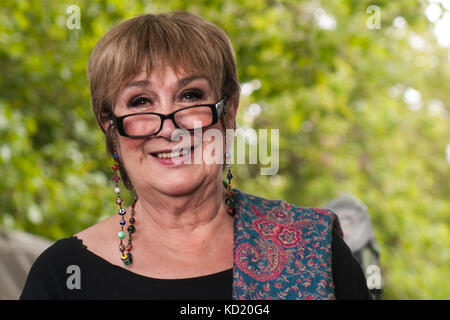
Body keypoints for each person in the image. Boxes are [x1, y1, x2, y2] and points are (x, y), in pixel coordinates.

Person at [20, 11, 371, 300]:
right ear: (110, 128)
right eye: (141, 101)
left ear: (228, 111)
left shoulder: (315, 250)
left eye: (189, 96)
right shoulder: (61, 275)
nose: (169, 127)